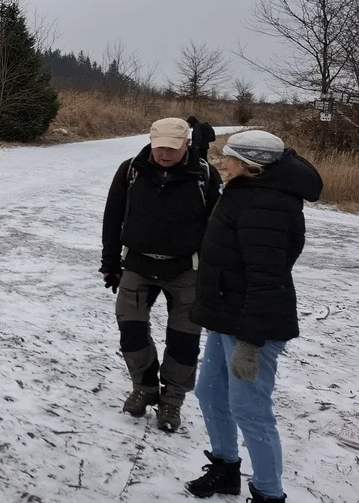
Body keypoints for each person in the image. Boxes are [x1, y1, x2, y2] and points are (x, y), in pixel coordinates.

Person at [184, 131, 321, 502]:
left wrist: (251, 341)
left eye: (228, 158)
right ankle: (226, 468)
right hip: (228, 315)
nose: (221, 164)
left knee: (251, 410)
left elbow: (267, 277)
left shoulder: (267, 205)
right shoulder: (245, 193)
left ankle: (269, 493)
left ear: (251, 165)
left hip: (253, 325)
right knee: (210, 392)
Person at [100, 117, 221, 432]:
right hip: (138, 265)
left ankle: (172, 401)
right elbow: (112, 217)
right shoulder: (132, 171)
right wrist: (110, 263)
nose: (164, 153)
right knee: (131, 332)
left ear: (187, 144)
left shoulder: (205, 175)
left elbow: (218, 228)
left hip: (186, 269)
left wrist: (214, 273)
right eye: (159, 147)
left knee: (184, 341)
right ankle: (144, 386)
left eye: (172, 147)